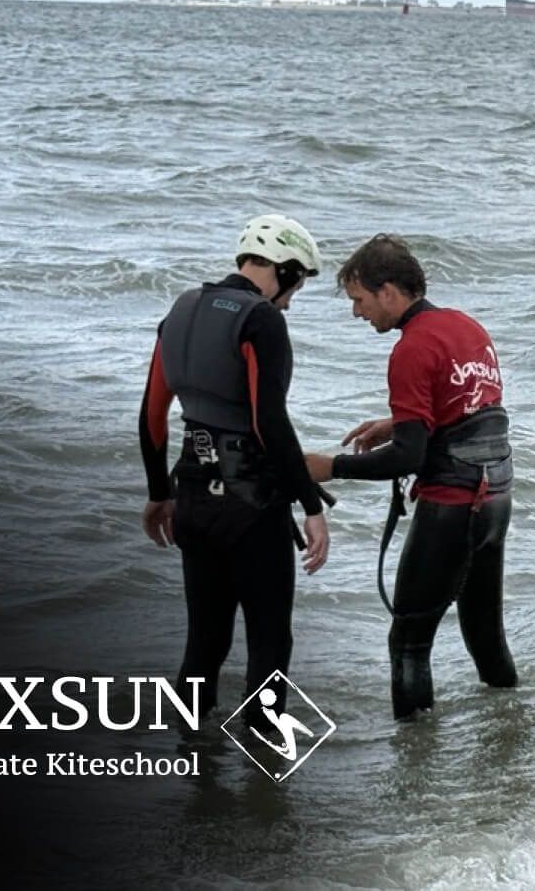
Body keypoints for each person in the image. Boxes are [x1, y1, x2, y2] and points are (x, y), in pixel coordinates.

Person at [306, 233, 515, 722]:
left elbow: (406, 458)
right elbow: (470, 409)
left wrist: (330, 468)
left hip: (451, 505)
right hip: (496, 499)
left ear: (389, 293)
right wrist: (397, 423)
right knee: (485, 632)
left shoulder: (411, 348)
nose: (358, 313)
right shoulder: (467, 327)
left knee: (409, 642)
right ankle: (510, 736)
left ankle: (413, 770)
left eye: (359, 300)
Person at [139, 213, 330, 727]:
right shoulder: (262, 320)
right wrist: (311, 507)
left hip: (193, 502)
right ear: (285, 270)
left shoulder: (180, 310)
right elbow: (269, 423)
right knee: (269, 640)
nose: (293, 297)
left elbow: (153, 414)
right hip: (251, 508)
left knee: (205, 639)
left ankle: (191, 768)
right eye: (298, 283)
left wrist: (160, 494)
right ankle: (266, 779)